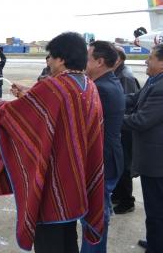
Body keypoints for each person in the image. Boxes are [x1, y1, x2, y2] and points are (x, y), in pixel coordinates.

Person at [0, 32, 105, 253]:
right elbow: (51, 114)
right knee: (68, 237)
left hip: (52, 179)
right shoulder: (88, 86)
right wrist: (30, 96)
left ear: (61, 59)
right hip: (75, 178)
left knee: (49, 241)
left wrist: (1, 106)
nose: (49, 61)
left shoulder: (56, 86)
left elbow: (20, 117)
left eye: (50, 57)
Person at [82, 41, 125, 253]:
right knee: (98, 214)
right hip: (109, 159)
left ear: (99, 62)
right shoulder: (108, 82)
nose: (83, 62)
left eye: (87, 58)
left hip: (103, 162)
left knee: (95, 218)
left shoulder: (100, 89)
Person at [122, 44, 163, 253]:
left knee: (157, 208)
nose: (146, 61)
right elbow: (133, 100)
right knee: (154, 207)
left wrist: (110, 118)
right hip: (151, 158)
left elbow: (141, 120)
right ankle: (156, 240)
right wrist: (110, 100)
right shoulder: (154, 80)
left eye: (151, 58)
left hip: (157, 161)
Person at [111, 46, 141, 214]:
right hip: (121, 126)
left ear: (118, 59)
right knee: (119, 164)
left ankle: (127, 201)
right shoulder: (119, 73)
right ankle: (118, 194)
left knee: (124, 165)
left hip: (124, 128)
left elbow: (126, 105)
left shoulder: (125, 76)